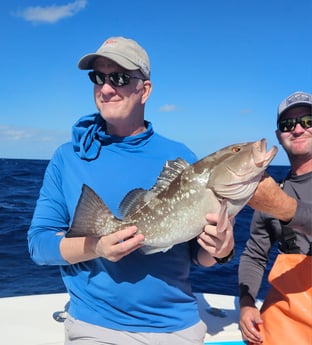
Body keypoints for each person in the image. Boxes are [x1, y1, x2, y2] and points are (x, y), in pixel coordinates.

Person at [27, 36, 236, 345]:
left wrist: (221, 248)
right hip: (94, 327)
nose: (107, 88)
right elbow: (39, 245)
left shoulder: (181, 158)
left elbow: (197, 255)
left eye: (120, 77)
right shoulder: (67, 158)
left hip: (175, 327)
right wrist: (95, 246)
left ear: (145, 90)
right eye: (99, 77)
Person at [238, 91, 312, 345]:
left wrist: (285, 208)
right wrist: (246, 304)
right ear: (279, 136)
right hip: (284, 326)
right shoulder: (273, 192)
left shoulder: (275, 199)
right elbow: (255, 255)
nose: (298, 129)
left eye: (308, 121)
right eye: (288, 124)